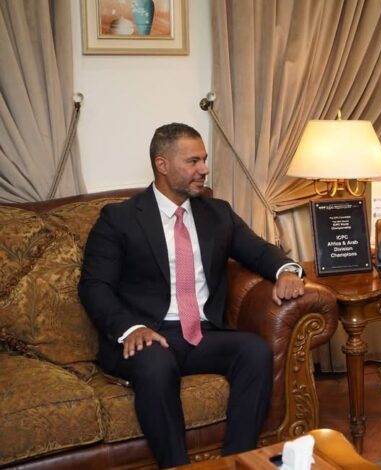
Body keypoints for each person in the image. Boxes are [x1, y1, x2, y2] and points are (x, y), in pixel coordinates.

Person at [79, 123, 306, 468]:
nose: (204, 169)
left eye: (204, 159)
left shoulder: (217, 213)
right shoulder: (119, 218)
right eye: (193, 161)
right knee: (156, 365)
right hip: (148, 335)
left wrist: (287, 270)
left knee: (254, 351)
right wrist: (130, 328)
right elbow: (94, 286)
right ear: (162, 164)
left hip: (202, 333)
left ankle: (236, 463)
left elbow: (259, 251)